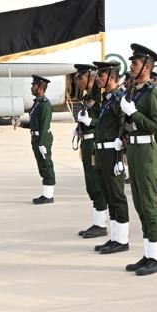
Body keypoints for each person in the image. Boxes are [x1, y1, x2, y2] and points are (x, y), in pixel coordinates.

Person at [120, 44, 157, 275]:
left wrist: (134, 114)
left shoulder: (152, 92)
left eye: (135, 63)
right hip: (135, 152)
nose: (131, 66)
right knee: (139, 205)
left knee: (149, 205)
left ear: (147, 67)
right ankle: (148, 253)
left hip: (147, 153)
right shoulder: (136, 91)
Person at [92, 60, 133, 255]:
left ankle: (122, 240)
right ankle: (115, 237)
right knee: (108, 195)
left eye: (101, 74)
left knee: (117, 196)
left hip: (112, 153)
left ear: (112, 77)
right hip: (102, 153)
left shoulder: (119, 99)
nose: (97, 78)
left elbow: (125, 125)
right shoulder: (108, 99)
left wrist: (121, 154)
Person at [70, 64, 109, 238]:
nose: (77, 81)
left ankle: (101, 224)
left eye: (80, 78)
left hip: (94, 143)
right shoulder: (88, 96)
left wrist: (90, 122)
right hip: (86, 143)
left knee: (96, 184)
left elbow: (105, 120)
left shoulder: (99, 96)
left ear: (90, 78)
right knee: (90, 185)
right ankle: (97, 221)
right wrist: (80, 127)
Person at [29, 75, 56, 204]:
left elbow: (44, 126)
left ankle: (48, 195)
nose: (31, 87)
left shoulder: (44, 104)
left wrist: (42, 143)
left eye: (34, 85)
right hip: (36, 138)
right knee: (41, 166)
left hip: (42, 139)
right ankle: (46, 193)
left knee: (46, 165)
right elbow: (36, 123)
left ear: (40, 87)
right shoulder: (37, 102)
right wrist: (21, 124)